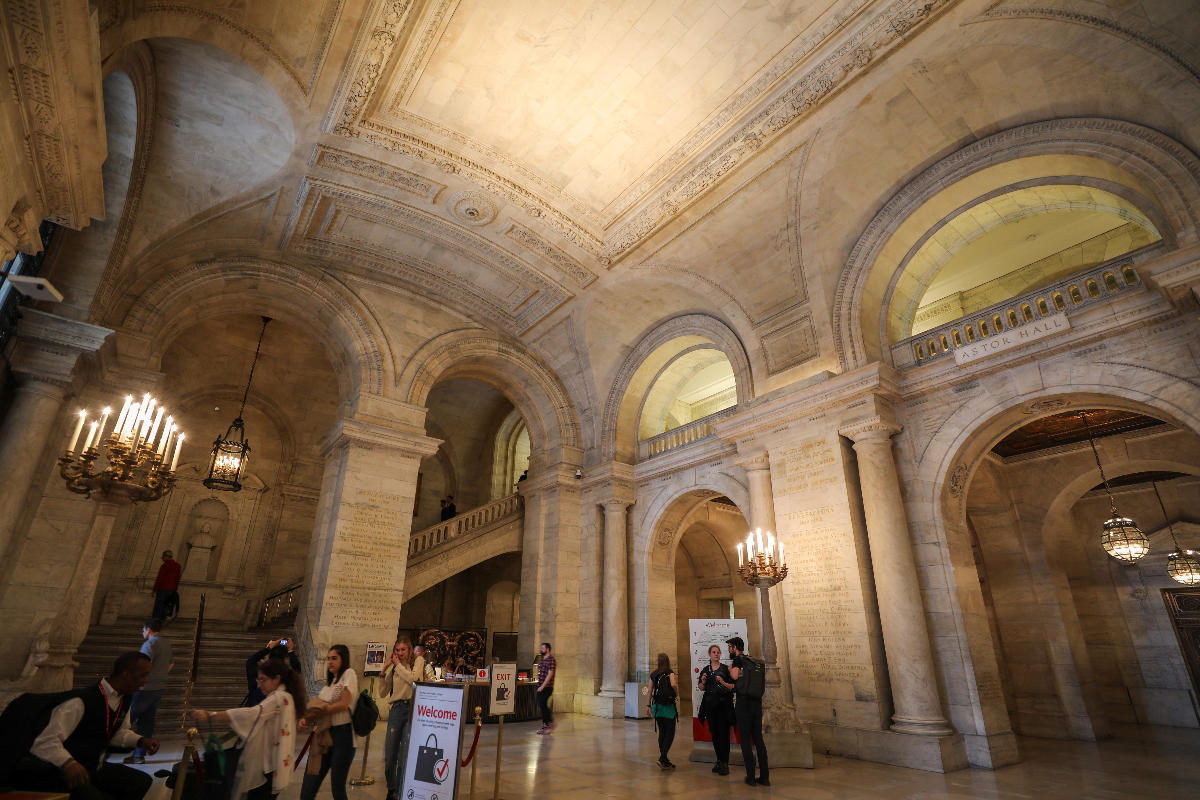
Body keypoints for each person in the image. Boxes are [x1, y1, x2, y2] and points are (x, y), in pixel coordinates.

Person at [5, 651, 159, 800]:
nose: (145, 681)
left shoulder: (124, 700)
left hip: (92, 767)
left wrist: (141, 741)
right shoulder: (81, 702)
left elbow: (117, 734)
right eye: (143, 675)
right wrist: (68, 763)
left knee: (141, 782)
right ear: (126, 674)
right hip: (60, 771)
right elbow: (44, 742)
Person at [190, 657, 307, 800]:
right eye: (258, 680)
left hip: (269, 766)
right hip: (275, 763)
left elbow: (252, 714)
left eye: (263, 679)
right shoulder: (287, 697)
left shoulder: (278, 698)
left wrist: (211, 715)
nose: (259, 685)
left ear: (276, 679)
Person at [298, 645, 357, 800]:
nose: (330, 662)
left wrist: (321, 710)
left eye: (334, 658)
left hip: (343, 736)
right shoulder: (328, 687)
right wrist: (306, 719)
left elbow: (344, 704)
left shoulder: (348, 674)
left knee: (337, 787)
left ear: (343, 659)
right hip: (324, 736)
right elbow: (319, 710)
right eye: (328, 659)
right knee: (310, 782)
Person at [379, 636, 424, 800]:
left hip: (412, 708)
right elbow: (383, 693)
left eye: (403, 650)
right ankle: (391, 788)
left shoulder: (418, 661)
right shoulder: (394, 667)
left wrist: (398, 665)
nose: (400, 653)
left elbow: (413, 679)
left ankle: (399, 790)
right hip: (396, 710)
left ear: (409, 649)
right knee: (390, 755)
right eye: (397, 650)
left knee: (404, 755)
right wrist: (383, 672)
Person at [123, 619, 172, 764]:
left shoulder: (150, 643)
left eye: (143, 630)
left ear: (148, 630)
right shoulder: (166, 643)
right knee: (147, 722)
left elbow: (143, 664)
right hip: (159, 688)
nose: (142, 632)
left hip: (145, 688)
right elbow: (171, 664)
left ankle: (104, 753)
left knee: (126, 720)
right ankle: (139, 756)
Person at [726, 636, 768, 787]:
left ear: (735, 647)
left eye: (730, 647)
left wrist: (730, 670)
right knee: (758, 739)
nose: (729, 650)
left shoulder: (738, 660)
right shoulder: (753, 660)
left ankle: (750, 777)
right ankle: (764, 777)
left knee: (745, 740)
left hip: (744, 704)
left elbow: (735, 676)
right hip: (756, 703)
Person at [697, 644, 735, 776]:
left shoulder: (725, 669)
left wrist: (723, 682)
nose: (716, 654)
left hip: (724, 707)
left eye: (718, 652)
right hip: (710, 707)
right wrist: (702, 681)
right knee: (715, 735)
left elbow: (732, 686)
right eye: (714, 652)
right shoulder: (705, 670)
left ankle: (725, 763)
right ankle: (719, 760)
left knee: (724, 736)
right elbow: (701, 688)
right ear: (710, 654)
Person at [243, 638, 302, 707]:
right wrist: (290, 651)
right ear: (285, 660)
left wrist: (268, 648)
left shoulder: (259, 674)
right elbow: (296, 670)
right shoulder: (285, 679)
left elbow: (250, 662)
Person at [646, 653, 679, 770]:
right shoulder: (670, 672)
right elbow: (673, 684)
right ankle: (662, 758)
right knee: (670, 733)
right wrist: (676, 693)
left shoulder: (654, 674)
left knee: (662, 732)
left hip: (657, 707)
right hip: (668, 707)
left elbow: (649, 691)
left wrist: (648, 705)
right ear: (668, 661)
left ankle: (664, 760)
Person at [151, 550, 180, 620]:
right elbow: (177, 578)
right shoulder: (178, 566)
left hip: (163, 589)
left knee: (159, 605)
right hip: (172, 589)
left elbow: (160, 578)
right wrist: (174, 589)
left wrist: (154, 590)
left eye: (163, 557)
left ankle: (156, 620)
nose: (162, 558)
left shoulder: (165, 566)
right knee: (167, 605)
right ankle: (164, 619)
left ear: (166, 557)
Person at [534, 642, 555, 734]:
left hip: (547, 687)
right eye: (541, 648)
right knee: (542, 706)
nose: (541, 649)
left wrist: (542, 686)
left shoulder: (551, 660)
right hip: (540, 686)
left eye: (543, 648)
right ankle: (547, 724)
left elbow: (550, 674)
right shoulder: (542, 660)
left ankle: (548, 724)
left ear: (548, 649)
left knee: (544, 706)